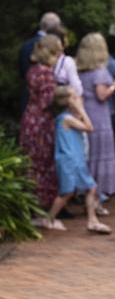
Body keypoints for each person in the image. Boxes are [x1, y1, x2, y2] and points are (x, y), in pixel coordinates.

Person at [45, 86, 111, 235]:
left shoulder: (68, 116)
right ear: (67, 101)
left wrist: (77, 110)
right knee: (67, 192)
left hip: (75, 158)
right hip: (70, 159)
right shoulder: (66, 118)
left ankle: (92, 220)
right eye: (74, 97)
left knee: (90, 187)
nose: (78, 99)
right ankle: (49, 219)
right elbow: (89, 127)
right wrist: (81, 109)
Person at [76, 32, 115, 201]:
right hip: (99, 116)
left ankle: (85, 190)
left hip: (84, 114)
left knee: (88, 153)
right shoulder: (100, 72)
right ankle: (97, 193)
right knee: (100, 154)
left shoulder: (79, 70)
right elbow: (102, 95)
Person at [19, 33, 63, 210]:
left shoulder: (33, 69)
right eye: (57, 54)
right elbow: (47, 102)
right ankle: (41, 207)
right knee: (43, 164)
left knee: (31, 163)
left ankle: (29, 204)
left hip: (29, 119)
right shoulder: (46, 73)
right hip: (42, 123)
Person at [18, 12, 61, 114]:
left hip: (27, 99)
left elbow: (22, 71)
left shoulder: (26, 45)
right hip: (44, 106)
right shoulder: (53, 45)